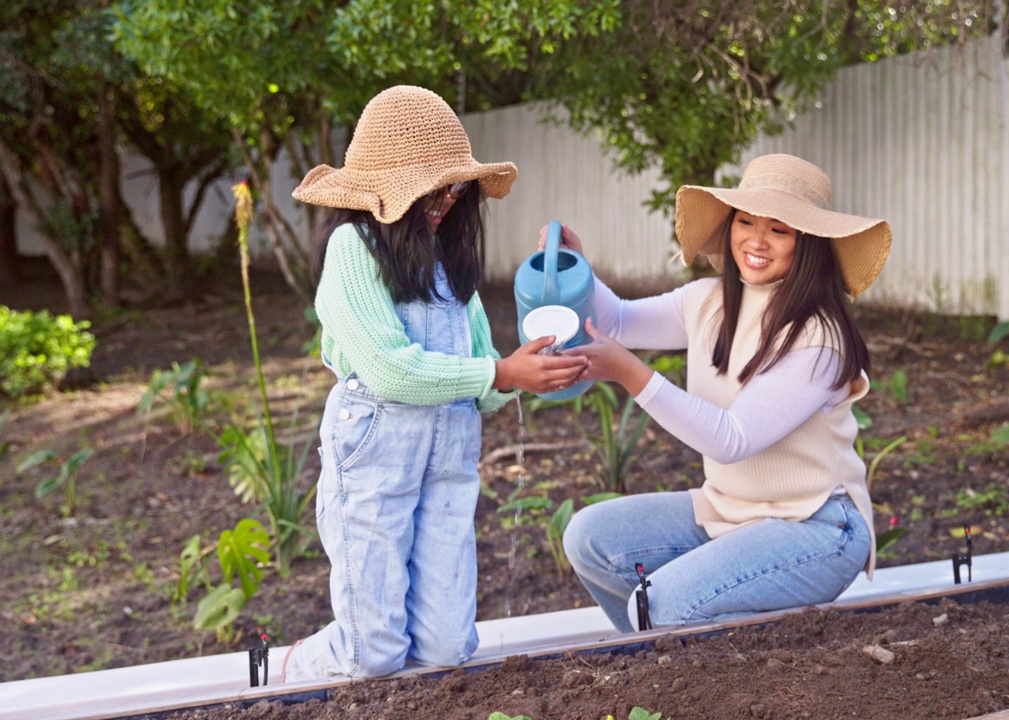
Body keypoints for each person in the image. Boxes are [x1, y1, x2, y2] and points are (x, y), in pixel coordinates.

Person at [281, 85, 588, 682]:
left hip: (447, 459)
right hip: (373, 459)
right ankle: (296, 665)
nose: (446, 201)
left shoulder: (447, 266)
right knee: (374, 653)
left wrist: (524, 375)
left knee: (447, 649)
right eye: (433, 188)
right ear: (386, 190)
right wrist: (501, 371)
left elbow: (477, 374)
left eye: (454, 188)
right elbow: (391, 369)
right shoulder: (353, 250)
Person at [558, 153, 892, 632]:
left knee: (664, 607)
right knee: (590, 538)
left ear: (809, 243)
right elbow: (616, 322)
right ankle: (659, 665)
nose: (756, 240)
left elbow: (732, 438)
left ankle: (715, 665)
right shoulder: (708, 301)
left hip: (816, 527)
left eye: (779, 230)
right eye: (746, 221)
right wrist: (575, 267)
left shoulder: (820, 338)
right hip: (727, 509)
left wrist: (630, 375)